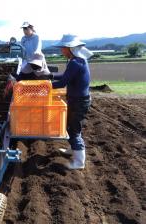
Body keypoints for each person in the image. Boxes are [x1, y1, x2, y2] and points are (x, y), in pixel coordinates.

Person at [51, 34, 93, 170]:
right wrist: (49, 76)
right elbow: (66, 76)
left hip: (79, 102)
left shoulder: (75, 63)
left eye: (63, 48)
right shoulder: (77, 60)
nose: (61, 50)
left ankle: (79, 162)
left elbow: (63, 82)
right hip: (77, 100)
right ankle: (72, 149)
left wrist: (45, 84)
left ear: (70, 48)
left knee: (74, 130)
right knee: (71, 126)